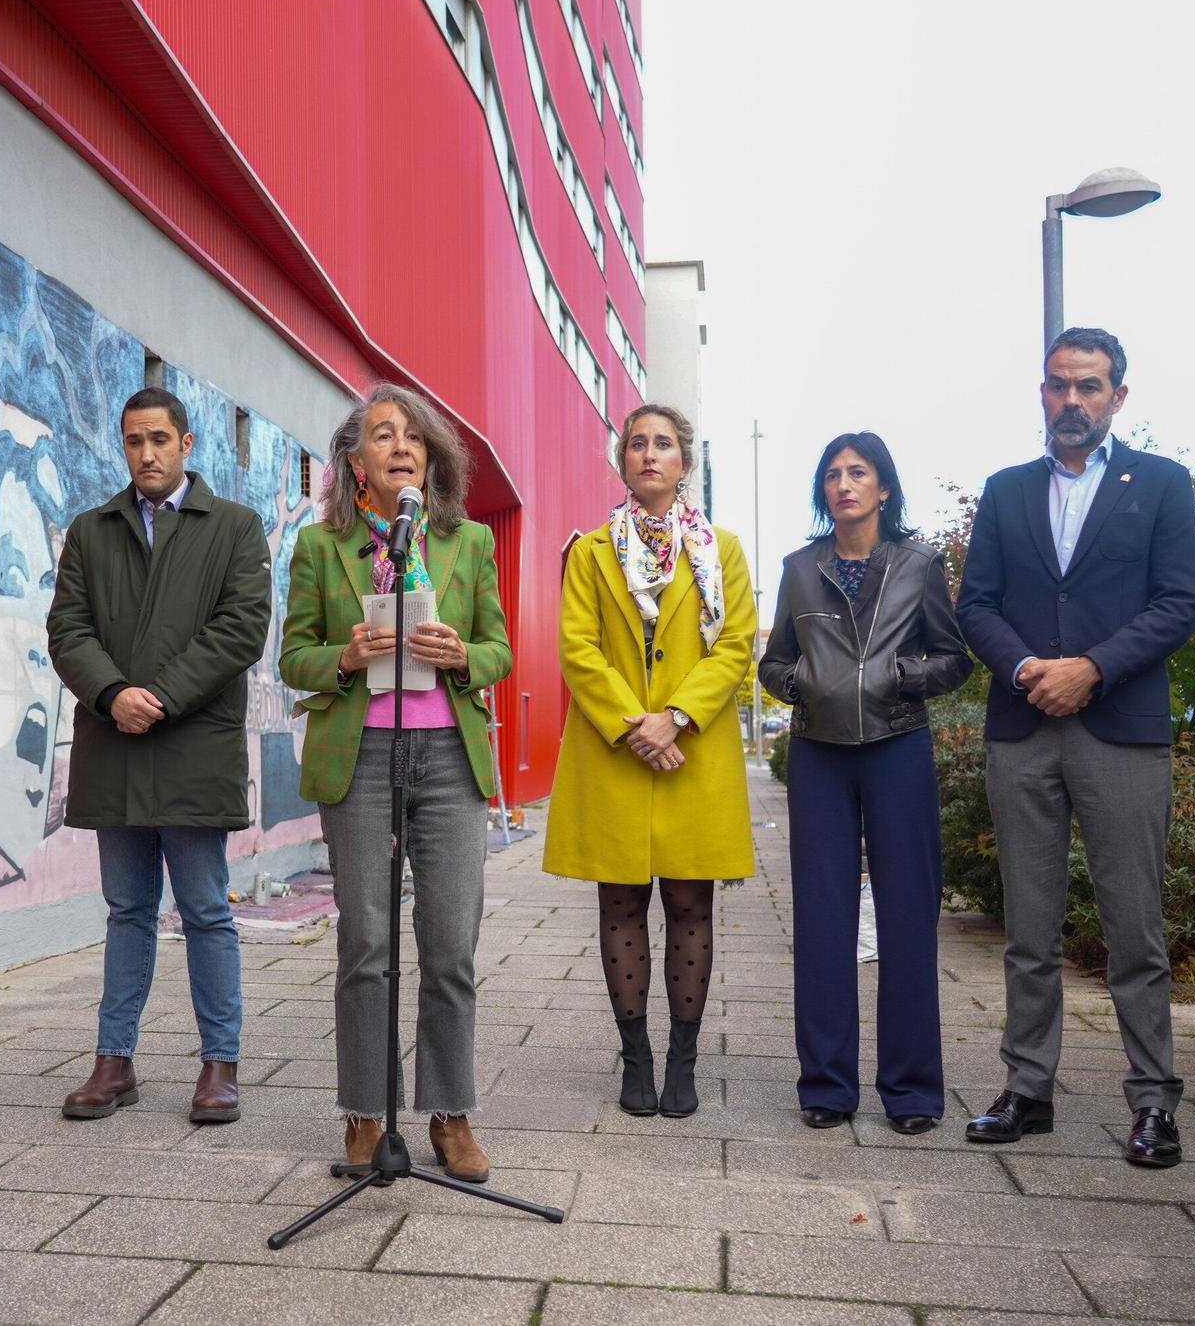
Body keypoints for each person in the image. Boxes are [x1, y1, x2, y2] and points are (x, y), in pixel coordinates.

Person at [956, 326, 1195, 1167]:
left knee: (1135, 930)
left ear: (1117, 397)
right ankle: (1027, 1090)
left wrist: (1091, 669)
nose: (1072, 400)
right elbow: (976, 604)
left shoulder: (1161, 484)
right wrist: (1029, 668)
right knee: (1029, 931)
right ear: (1042, 392)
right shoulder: (1006, 490)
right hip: (1024, 728)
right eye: (1059, 384)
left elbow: (1178, 603)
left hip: (1121, 731)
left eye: (1089, 386)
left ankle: (1154, 1101)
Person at [280, 382, 511, 1182]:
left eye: (413, 435)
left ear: (431, 457)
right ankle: (365, 1114)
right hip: (360, 759)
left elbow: (500, 649)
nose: (401, 445)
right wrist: (344, 657)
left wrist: (464, 655)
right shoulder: (319, 548)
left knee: (450, 944)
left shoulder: (468, 541)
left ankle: (450, 1115)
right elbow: (293, 657)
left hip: (448, 757)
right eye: (382, 434)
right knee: (366, 942)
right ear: (356, 462)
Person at [47, 386, 272, 1126]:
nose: (146, 454)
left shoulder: (234, 527)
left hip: (192, 747)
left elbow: (241, 628)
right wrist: (113, 693)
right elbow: (67, 629)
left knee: (205, 910)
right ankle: (113, 1063)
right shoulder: (92, 531)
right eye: (134, 441)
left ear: (186, 443)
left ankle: (220, 1064)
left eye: (159, 440)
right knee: (127, 910)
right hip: (114, 745)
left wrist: (162, 696)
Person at [544, 404, 756, 1119]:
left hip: (693, 750)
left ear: (684, 462)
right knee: (621, 904)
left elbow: (736, 644)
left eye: (664, 444)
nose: (649, 454)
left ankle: (683, 1062)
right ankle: (635, 1058)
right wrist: (635, 725)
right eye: (637, 444)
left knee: (692, 906)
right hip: (616, 752)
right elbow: (577, 647)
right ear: (624, 461)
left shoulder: (722, 550)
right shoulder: (592, 551)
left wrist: (676, 717)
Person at [758, 432, 974, 1134]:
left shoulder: (919, 564)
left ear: (884, 489)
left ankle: (911, 1092)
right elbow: (772, 663)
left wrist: (900, 675)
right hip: (818, 754)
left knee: (909, 918)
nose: (844, 484)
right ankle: (826, 1085)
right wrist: (805, 682)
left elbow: (954, 659)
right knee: (822, 920)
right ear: (822, 492)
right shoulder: (799, 568)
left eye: (858, 473)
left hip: (897, 745)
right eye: (832, 475)